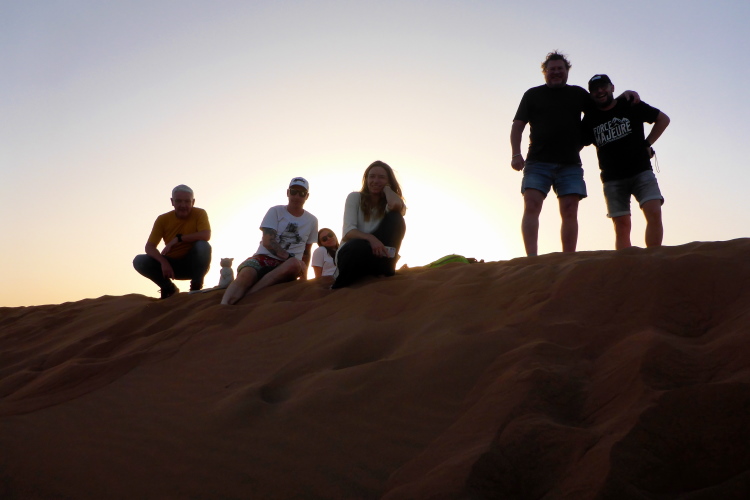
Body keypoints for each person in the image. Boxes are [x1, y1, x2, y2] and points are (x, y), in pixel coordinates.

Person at [510, 51, 639, 256]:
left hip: (569, 164)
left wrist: (624, 96)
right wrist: (516, 154)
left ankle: (568, 258)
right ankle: (531, 259)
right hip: (537, 162)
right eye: (552, 69)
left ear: (567, 71)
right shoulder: (532, 95)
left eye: (560, 68)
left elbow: (603, 106)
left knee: (570, 209)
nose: (556, 72)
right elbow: (518, 126)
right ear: (545, 72)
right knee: (532, 205)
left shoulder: (578, 94)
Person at [582, 74, 670, 249]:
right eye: (595, 89)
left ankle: (653, 258)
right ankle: (625, 262)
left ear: (612, 87)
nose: (600, 91)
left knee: (654, 212)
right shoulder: (590, 118)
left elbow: (663, 119)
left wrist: (647, 143)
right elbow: (577, 142)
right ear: (591, 94)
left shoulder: (630, 104)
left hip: (641, 171)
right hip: (612, 179)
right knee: (621, 226)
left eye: (603, 86)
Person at [221, 177, 318, 305]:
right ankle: (224, 306)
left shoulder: (312, 220)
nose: (297, 196)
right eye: (294, 192)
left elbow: (307, 251)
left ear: (307, 196)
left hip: (290, 265)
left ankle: (248, 299)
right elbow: (268, 241)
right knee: (247, 273)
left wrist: (304, 277)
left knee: (294, 263)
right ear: (288, 192)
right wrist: (288, 257)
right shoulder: (275, 211)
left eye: (302, 193)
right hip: (264, 257)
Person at [332, 160, 406, 289]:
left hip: (377, 254)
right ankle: (340, 286)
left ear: (389, 181)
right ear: (366, 180)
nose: (375, 181)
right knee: (357, 245)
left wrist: (387, 189)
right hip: (353, 251)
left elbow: (395, 205)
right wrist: (371, 239)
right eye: (372, 176)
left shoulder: (389, 202)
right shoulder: (355, 197)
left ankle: (387, 268)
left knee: (396, 218)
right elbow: (349, 232)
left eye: (381, 177)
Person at [133, 184, 212, 299]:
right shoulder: (162, 219)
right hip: (171, 266)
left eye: (187, 201)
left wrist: (178, 239)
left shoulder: (200, 213)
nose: (183, 205)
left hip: (194, 265)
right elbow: (149, 247)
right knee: (139, 260)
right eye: (178, 201)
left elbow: (206, 235)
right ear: (172, 201)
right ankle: (169, 289)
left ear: (193, 202)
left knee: (203, 245)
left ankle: (196, 287)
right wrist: (163, 262)